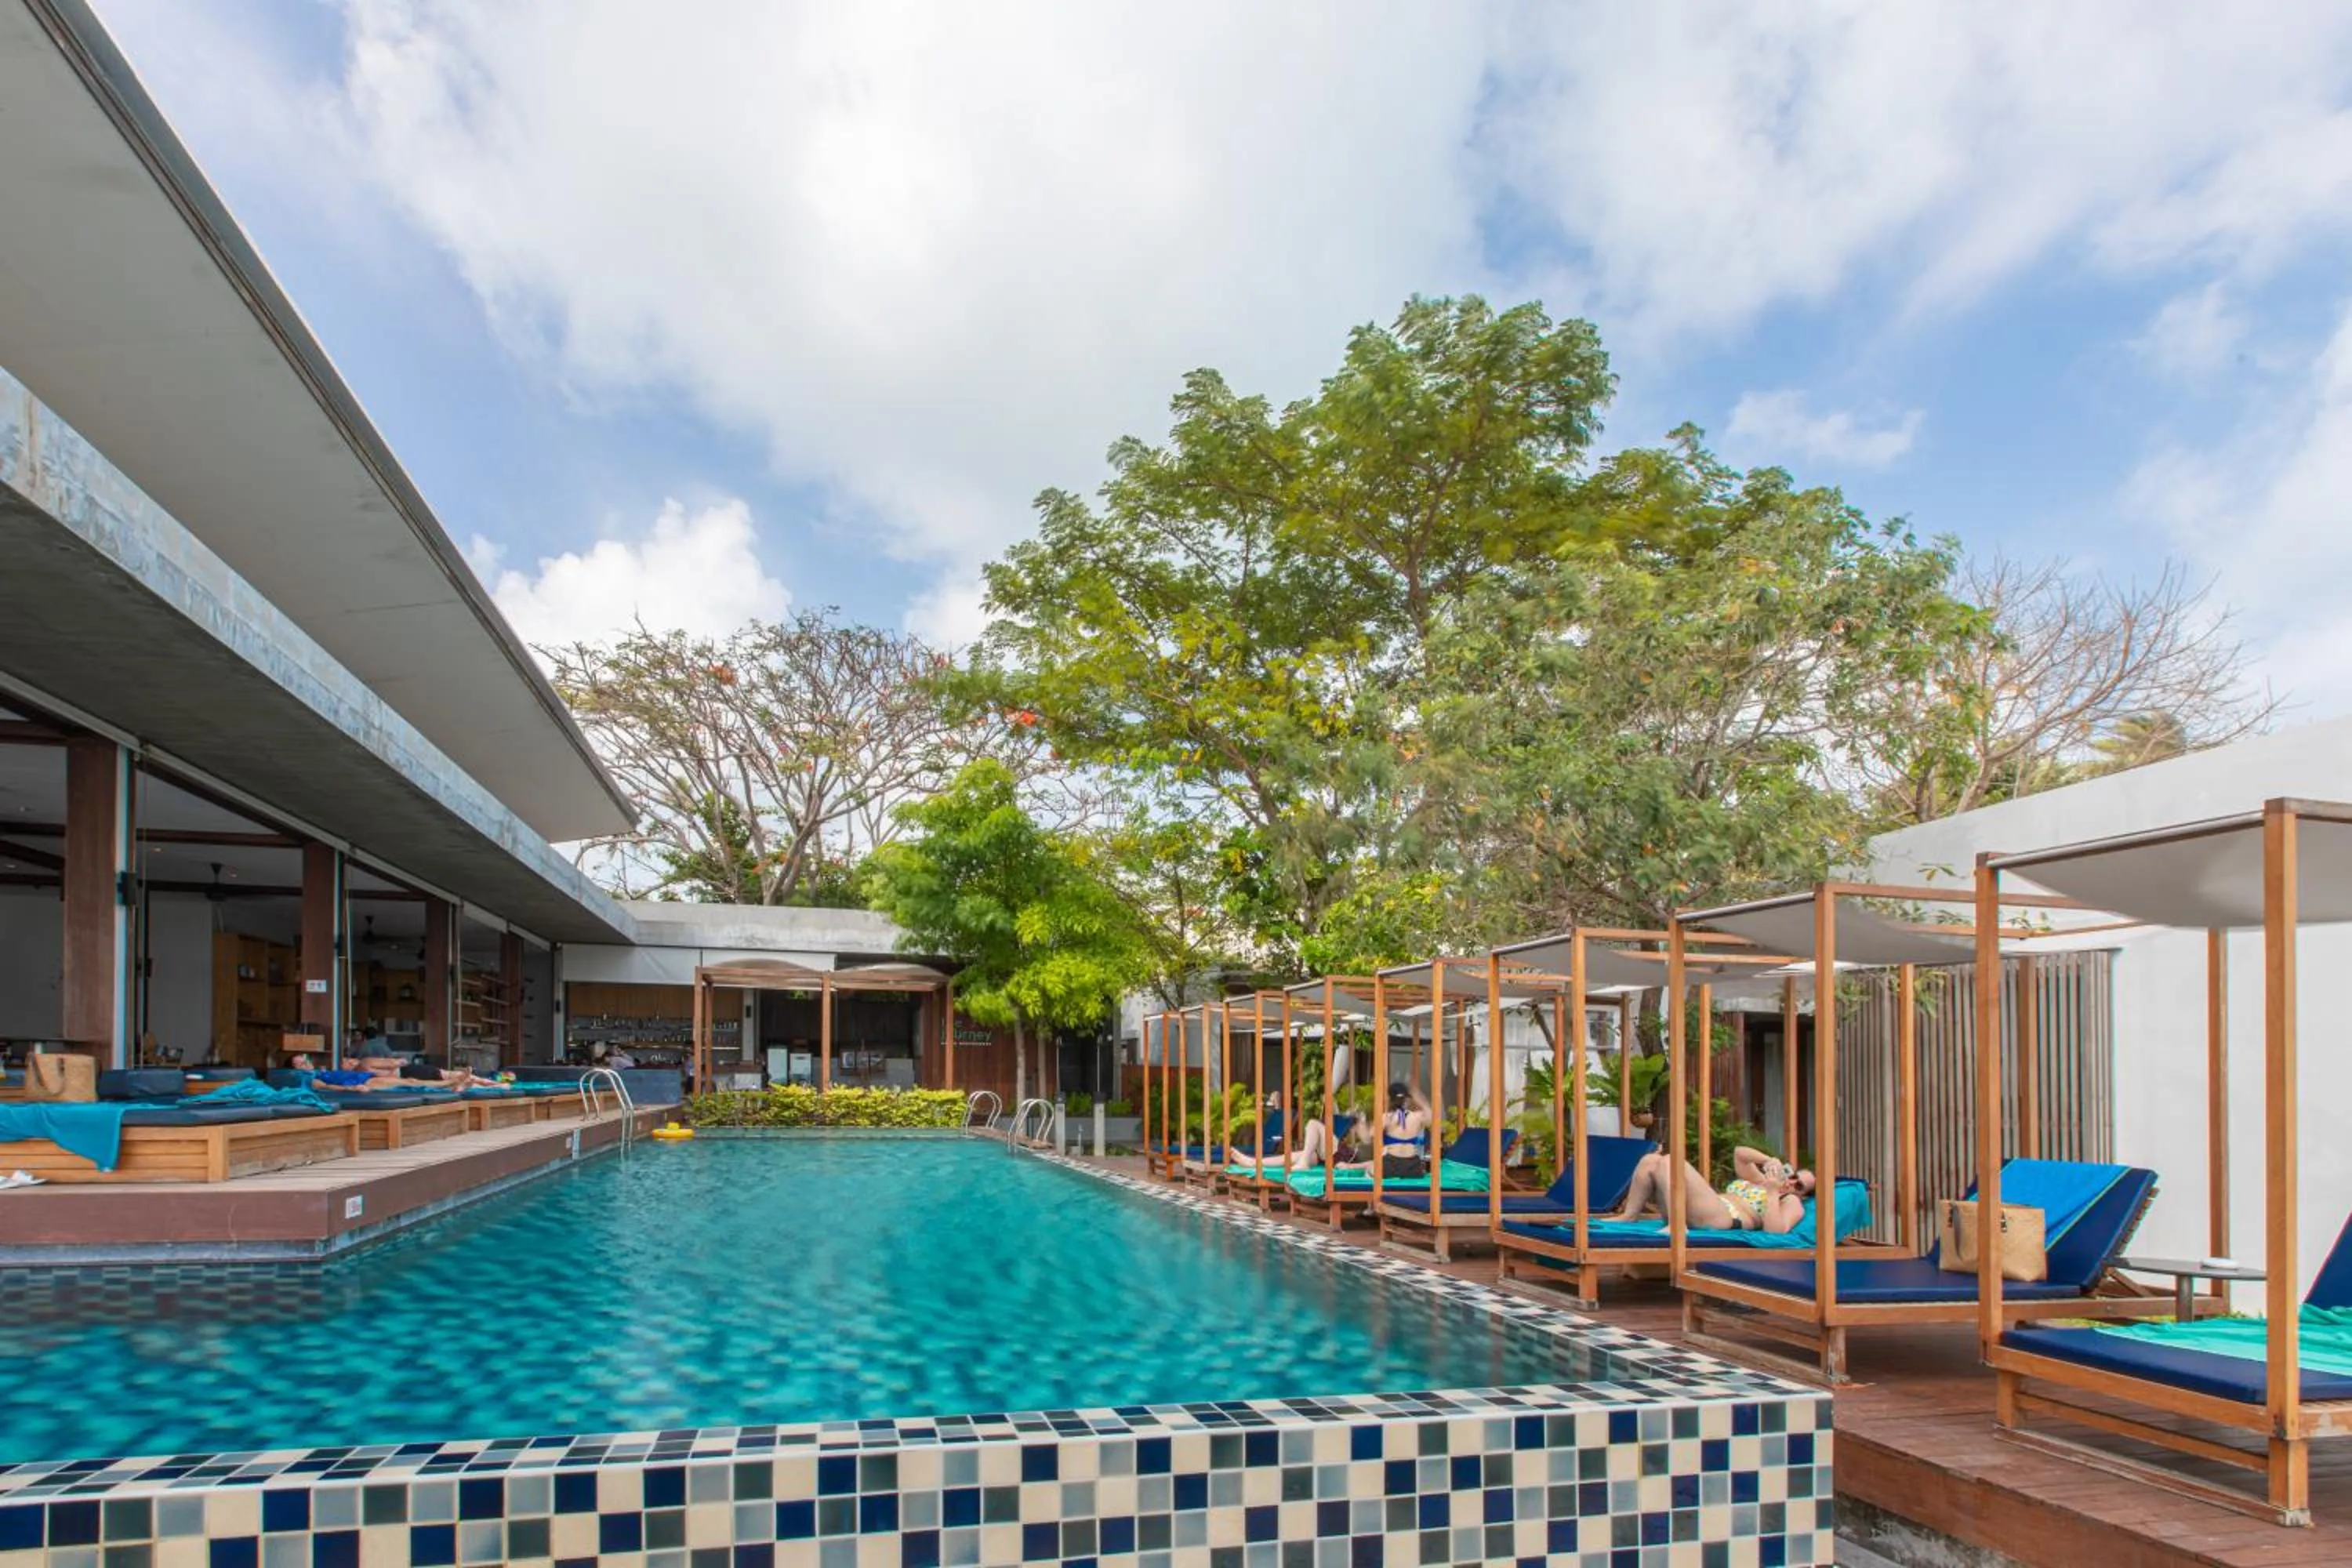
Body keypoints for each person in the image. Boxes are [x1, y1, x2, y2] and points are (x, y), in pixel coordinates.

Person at [1606, 1145, 1817, 1233]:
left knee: (1671, 1161)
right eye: (1794, 1176)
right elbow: (1739, 1153)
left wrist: (1773, 1194)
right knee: (1651, 1160)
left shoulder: (1791, 1202)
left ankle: (1677, 1227)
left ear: (1803, 1195)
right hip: (1706, 1207)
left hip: (1724, 1218)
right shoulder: (1760, 1180)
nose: (1792, 1182)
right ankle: (1629, 1215)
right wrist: (1770, 1159)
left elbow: (1776, 1232)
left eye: (1799, 1186)